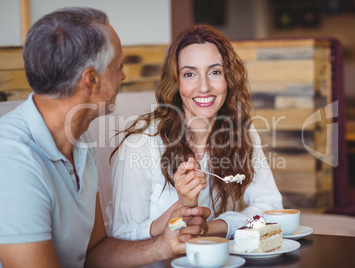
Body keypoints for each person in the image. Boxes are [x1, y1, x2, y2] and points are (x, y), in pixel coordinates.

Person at [0, 7, 210, 268]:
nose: (122, 75)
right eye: (118, 67)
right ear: (91, 80)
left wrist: (164, 245)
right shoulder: (11, 158)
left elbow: (96, 251)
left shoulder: (80, 138)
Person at [107, 24, 283, 241]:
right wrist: (181, 208)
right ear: (176, 83)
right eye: (189, 74)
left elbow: (270, 207)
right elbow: (122, 236)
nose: (204, 87)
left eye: (215, 72)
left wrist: (212, 227)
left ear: (229, 79)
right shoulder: (140, 144)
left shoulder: (241, 132)